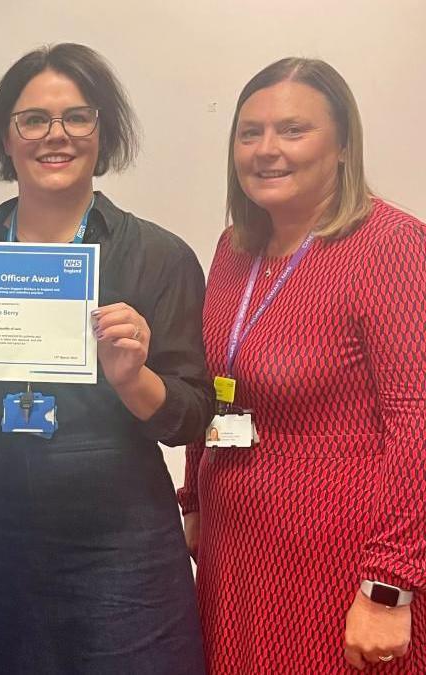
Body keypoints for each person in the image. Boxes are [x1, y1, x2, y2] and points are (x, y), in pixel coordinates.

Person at [0, 43, 213, 673]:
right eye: (34, 120)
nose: (57, 136)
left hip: (128, 540)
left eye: (78, 117)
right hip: (14, 533)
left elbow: (190, 419)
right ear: (6, 139)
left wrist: (133, 380)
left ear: (104, 132)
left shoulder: (159, 256)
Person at [180, 57, 426, 673]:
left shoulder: (391, 245)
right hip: (237, 547)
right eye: (249, 132)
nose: (267, 150)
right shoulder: (234, 249)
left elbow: (416, 422)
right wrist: (194, 504)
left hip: (341, 556)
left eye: (293, 130)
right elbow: (217, 387)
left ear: (343, 146)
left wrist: (391, 582)